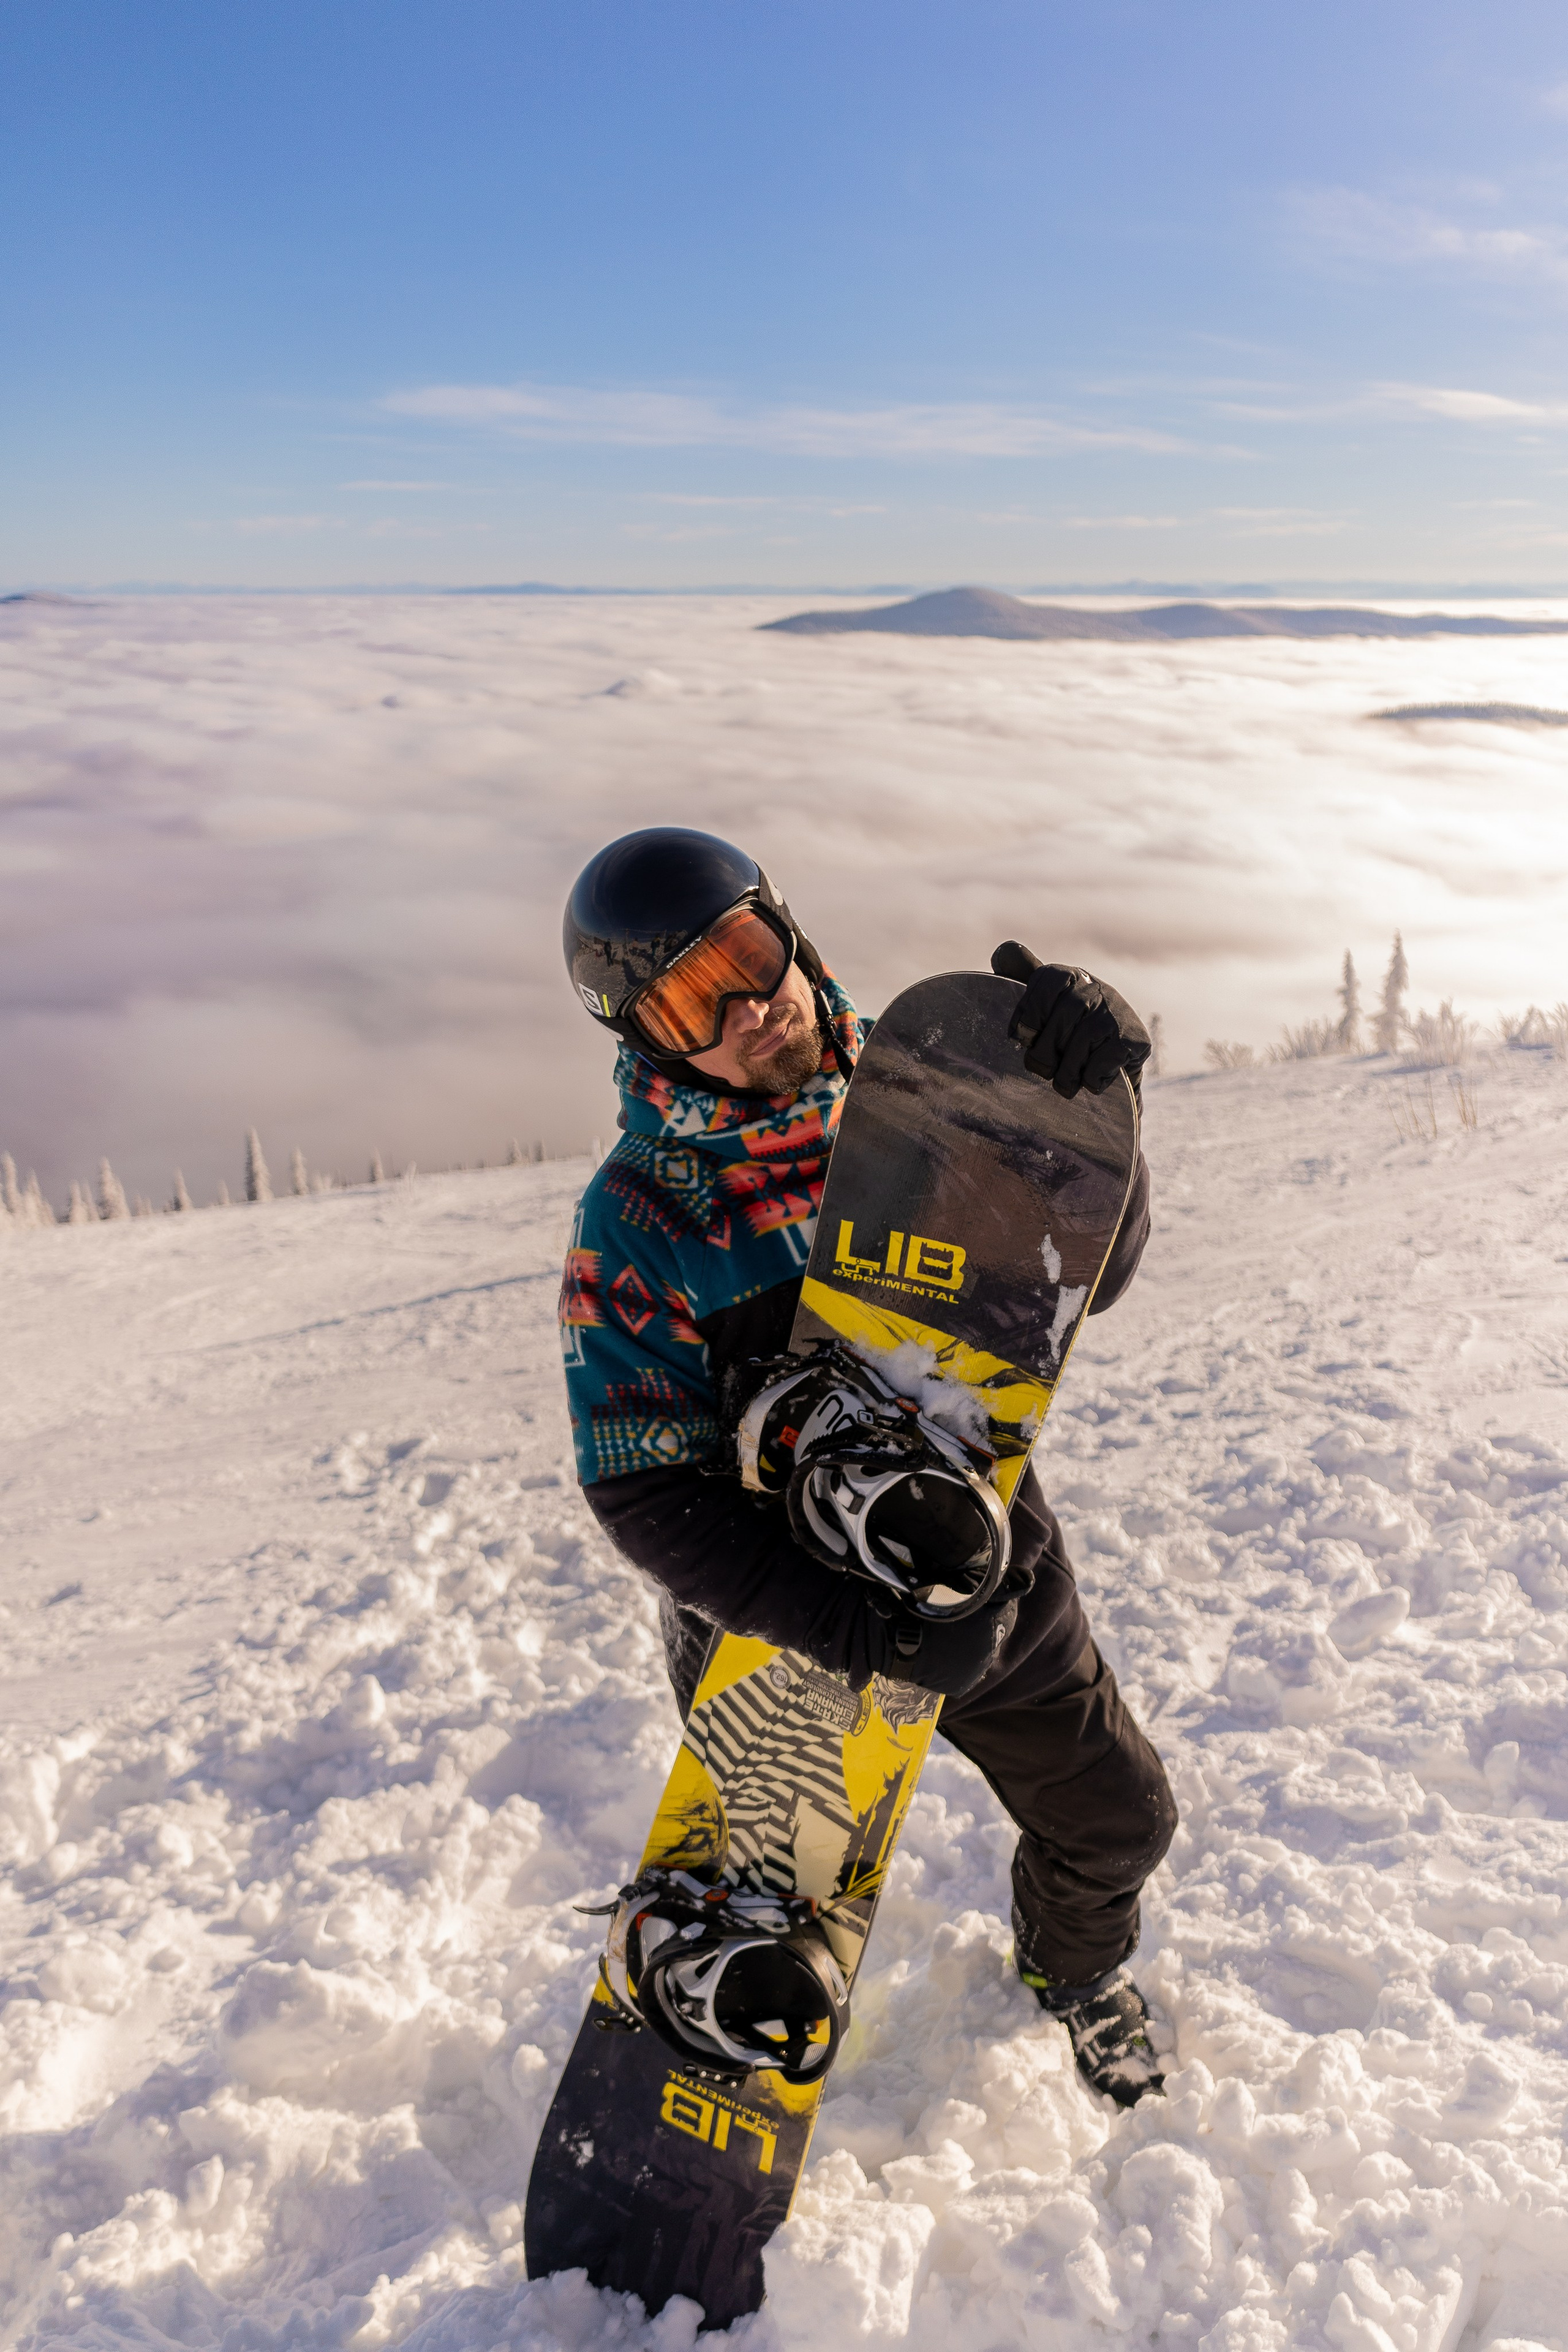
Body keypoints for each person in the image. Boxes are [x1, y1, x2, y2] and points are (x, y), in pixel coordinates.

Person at [557, 824, 1177, 2106]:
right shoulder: (642, 1219)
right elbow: (640, 1486)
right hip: (774, 1622)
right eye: (688, 997)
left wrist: (1083, 1106)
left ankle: (1072, 1974)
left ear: (786, 926)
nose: (746, 1006)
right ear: (642, 1036)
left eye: (744, 951)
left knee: (1117, 1817)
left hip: (971, 1551)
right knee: (773, 1914)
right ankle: (718, 1989)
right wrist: (854, 1630)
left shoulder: (923, 1093)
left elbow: (1082, 1286)